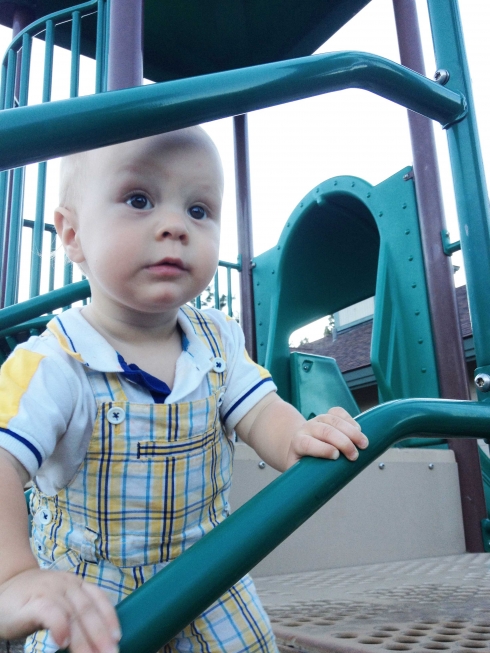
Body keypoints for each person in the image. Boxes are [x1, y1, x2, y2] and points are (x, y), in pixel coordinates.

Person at [0, 127, 369, 653]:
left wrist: (297, 437)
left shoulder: (217, 337)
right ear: (72, 233)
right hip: (91, 589)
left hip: (209, 571)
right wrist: (13, 577)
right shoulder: (52, 362)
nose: (174, 226)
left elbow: (260, 409)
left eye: (199, 210)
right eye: (138, 199)